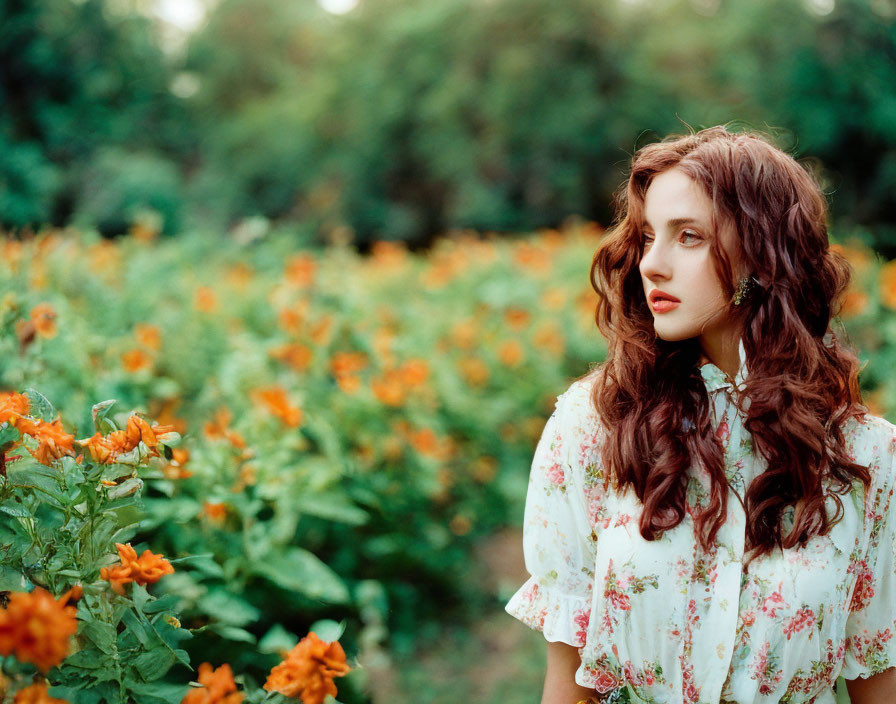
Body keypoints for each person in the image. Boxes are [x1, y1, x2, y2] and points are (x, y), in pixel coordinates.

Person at [505, 125, 896, 704]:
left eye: (687, 236)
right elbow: (569, 685)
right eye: (645, 237)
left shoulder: (866, 456)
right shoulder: (591, 428)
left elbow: (877, 685)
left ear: (764, 256)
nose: (651, 265)